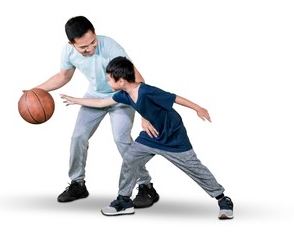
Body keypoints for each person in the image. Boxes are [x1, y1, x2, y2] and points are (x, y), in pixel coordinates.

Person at [60, 56, 234, 219]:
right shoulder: (124, 94)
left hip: (172, 137)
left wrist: (198, 108)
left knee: (194, 168)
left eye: (109, 79)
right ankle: (124, 201)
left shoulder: (147, 91)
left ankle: (222, 199)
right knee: (130, 157)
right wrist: (76, 100)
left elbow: (174, 98)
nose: (107, 82)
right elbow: (101, 102)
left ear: (121, 81)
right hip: (150, 137)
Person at [30, 16, 159, 207]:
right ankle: (77, 183)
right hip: (94, 96)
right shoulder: (68, 52)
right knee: (78, 137)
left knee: (121, 139)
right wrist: (36, 90)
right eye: (83, 47)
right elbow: (62, 77)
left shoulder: (111, 48)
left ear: (95, 34)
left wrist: (145, 115)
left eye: (93, 42)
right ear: (71, 44)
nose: (90, 49)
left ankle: (146, 186)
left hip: (121, 97)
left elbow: (138, 81)